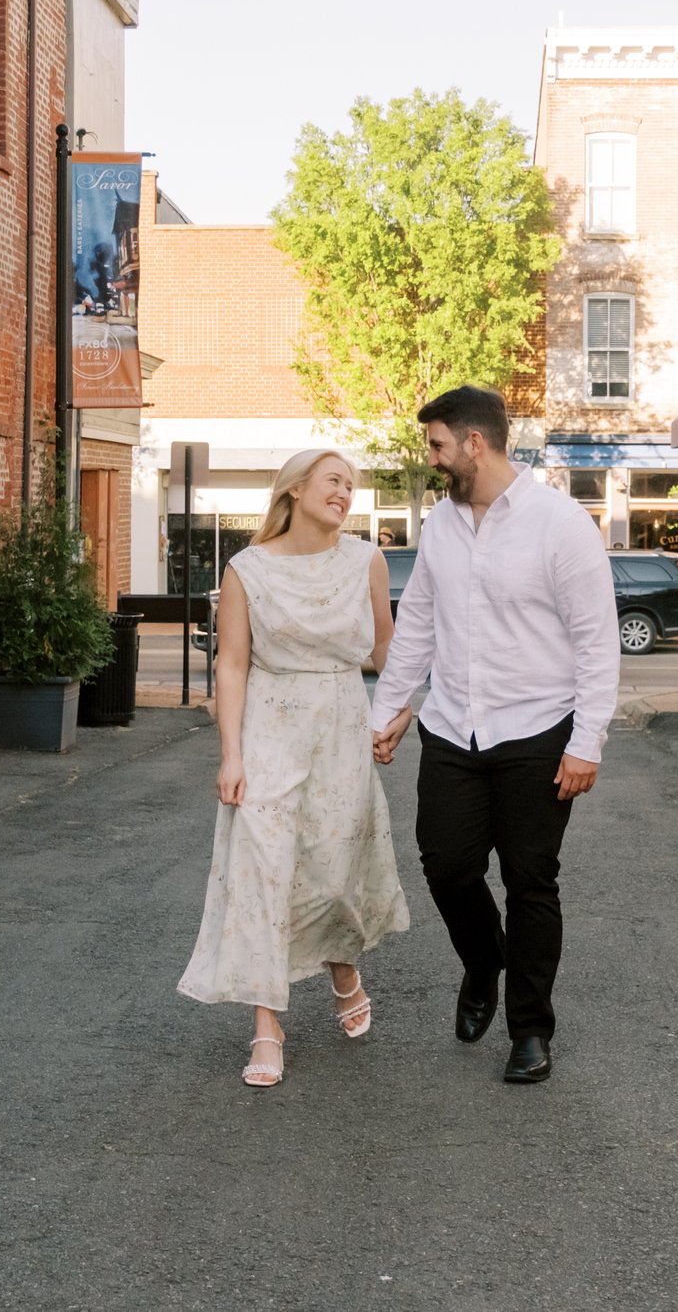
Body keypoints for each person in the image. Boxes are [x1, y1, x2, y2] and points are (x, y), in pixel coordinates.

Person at [371, 386, 618, 1084]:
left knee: (531, 880)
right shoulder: (443, 525)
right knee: (446, 864)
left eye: (438, 445)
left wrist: (587, 740)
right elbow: (417, 620)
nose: (432, 459)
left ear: (475, 443)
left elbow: (598, 641)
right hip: (453, 724)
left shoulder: (560, 524)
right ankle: (484, 962)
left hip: (539, 728)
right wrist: (388, 709)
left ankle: (530, 1031)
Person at [178, 450, 410, 1087]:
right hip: (269, 729)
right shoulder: (246, 569)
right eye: (335, 481)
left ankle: (343, 968)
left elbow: (387, 648)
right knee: (264, 866)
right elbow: (230, 666)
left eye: (351, 486)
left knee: (333, 871)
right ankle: (266, 1025)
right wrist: (230, 753)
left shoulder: (366, 559)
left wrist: (400, 710)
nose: (345, 493)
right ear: (297, 488)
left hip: (341, 721)